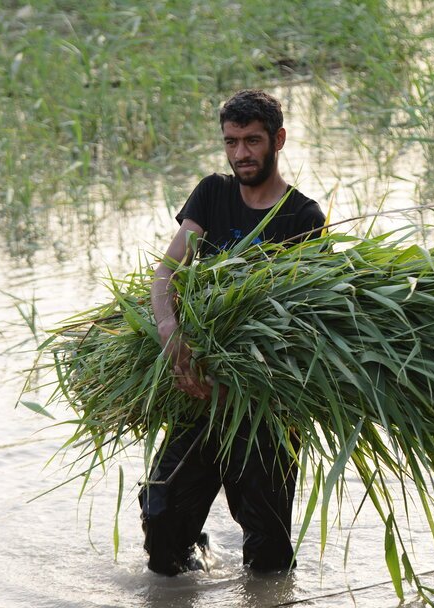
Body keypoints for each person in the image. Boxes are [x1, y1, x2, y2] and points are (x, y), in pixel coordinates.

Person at [141, 89, 326, 576]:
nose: (241, 153)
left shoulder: (302, 218)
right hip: (195, 391)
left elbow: (299, 329)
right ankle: (197, 558)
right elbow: (167, 275)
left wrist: (229, 383)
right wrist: (169, 329)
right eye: (231, 142)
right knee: (161, 517)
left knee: (268, 556)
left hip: (265, 406)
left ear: (278, 140)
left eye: (252, 141)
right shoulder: (213, 194)